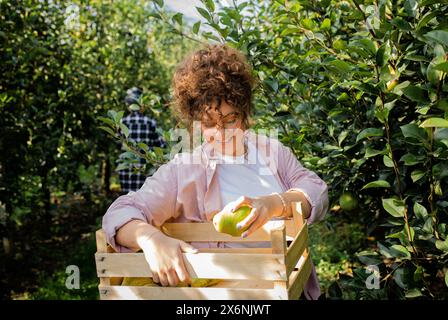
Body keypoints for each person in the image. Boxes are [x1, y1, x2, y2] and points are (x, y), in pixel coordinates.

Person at [103, 44, 329, 299]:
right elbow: (121, 212)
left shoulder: (271, 152)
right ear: (196, 123)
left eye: (230, 120)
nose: (222, 134)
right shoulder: (185, 170)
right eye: (210, 124)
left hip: (286, 283)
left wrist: (274, 203)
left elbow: (316, 192)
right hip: (233, 294)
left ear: (244, 114)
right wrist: (150, 239)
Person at [118, 87, 166, 193]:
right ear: (141, 105)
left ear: (128, 105)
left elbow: (119, 145)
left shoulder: (121, 123)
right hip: (145, 170)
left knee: (128, 203)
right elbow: (161, 147)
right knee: (145, 204)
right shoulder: (150, 123)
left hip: (126, 169)